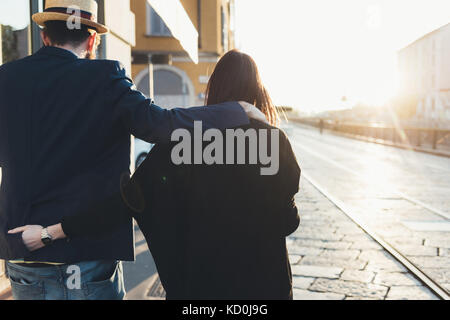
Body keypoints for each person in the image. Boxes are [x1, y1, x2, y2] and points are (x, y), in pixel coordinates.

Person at [0, 0, 258, 300]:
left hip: (23, 250)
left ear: (44, 36)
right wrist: (234, 111)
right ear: (93, 38)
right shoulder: (105, 77)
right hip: (86, 251)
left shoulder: (6, 77)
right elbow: (161, 125)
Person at [11, 50, 301, 300]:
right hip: (265, 288)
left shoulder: (180, 144)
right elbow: (288, 221)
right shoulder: (273, 142)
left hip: (197, 291)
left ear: (215, 88)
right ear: (258, 91)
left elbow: (124, 204)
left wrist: (50, 233)